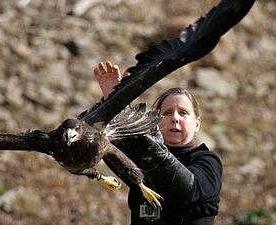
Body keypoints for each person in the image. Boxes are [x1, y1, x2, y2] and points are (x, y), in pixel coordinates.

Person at [93, 61, 223, 225]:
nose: (175, 118)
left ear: (197, 123)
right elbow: (105, 144)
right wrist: (114, 101)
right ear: (155, 120)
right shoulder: (141, 157)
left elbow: (182, 190)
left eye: (183, 113)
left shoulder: (207, 162)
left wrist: (155, 153)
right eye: (168, 113)